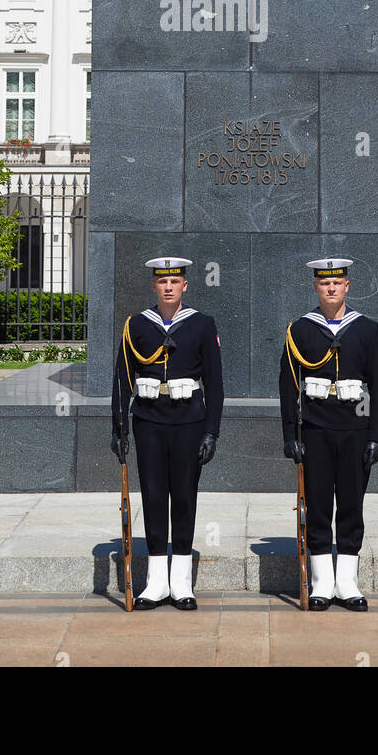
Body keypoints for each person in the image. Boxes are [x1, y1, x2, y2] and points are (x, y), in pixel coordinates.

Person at [111, 256, 224, 610]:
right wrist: (119, 427)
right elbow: (122, 379)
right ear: (154, 286)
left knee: (185, 498)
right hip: (149, 420)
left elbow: (216, 384)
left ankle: (181, 582)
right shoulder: (136, 326)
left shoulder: (202, 325)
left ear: (185, 285)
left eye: (175, 281)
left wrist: (211, 431)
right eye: (163, 282)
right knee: (155, 497)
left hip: (189, 420)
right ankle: (156, 582)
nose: (169, 287)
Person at [279, 258, 378, 611]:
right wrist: (289, 435)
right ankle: (323, 582)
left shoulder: (366, 329)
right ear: (315, 287)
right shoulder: (300, 330)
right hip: (316, 429)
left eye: (337, 283)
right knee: (320, 503)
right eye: (324, 284)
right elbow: (287, 386)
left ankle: (348, 581)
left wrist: (377, 436)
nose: (330, 289)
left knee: (352, 506)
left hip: (355, 429)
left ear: (347, 286)